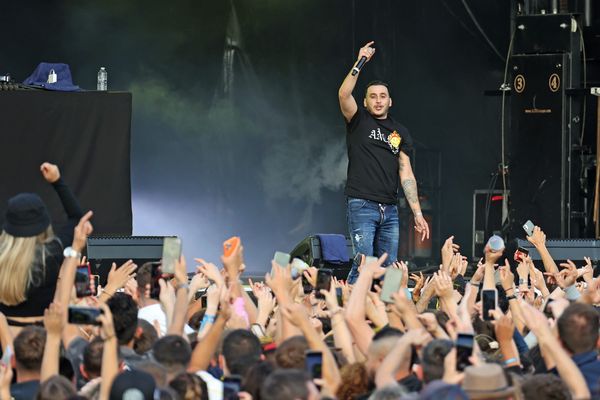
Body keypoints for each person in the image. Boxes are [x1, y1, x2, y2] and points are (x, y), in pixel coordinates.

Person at [338, 41, 429, 283]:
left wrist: (417, 213)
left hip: (389, 209)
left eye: (383, 96)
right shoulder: (359, 121)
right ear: (365, 102)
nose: (378, 100)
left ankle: (388, 313)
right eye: (373, 97)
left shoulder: (400, 132)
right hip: (362, 205)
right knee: (364, 265)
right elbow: (343, 94)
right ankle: (348, 314)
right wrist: (361, 61)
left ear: (391, 101)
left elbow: (406, 172)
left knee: (391, 271)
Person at [0, 162, 83, 329]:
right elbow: (76, 218)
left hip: (4, 342)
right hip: (43, 341)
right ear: (44, 226)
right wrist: (57, 181)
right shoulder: (51, 255)